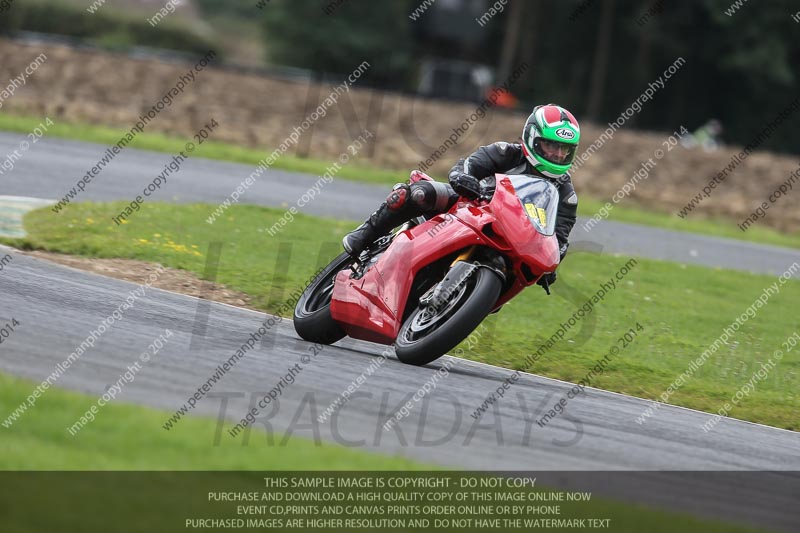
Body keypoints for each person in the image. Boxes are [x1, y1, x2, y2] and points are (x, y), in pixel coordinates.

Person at [342, 104, 581, 287]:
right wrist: (462, 178)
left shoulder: (566, 194)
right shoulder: (506, 153)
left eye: (564, 149)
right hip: (468, 207)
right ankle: (365, 235)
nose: (558, 154)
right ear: (532, 138)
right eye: (551, 145)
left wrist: (551, 265)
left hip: (511, 241)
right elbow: (469, 166)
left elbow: (559, 238)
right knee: (419, 194)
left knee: (520, 277)